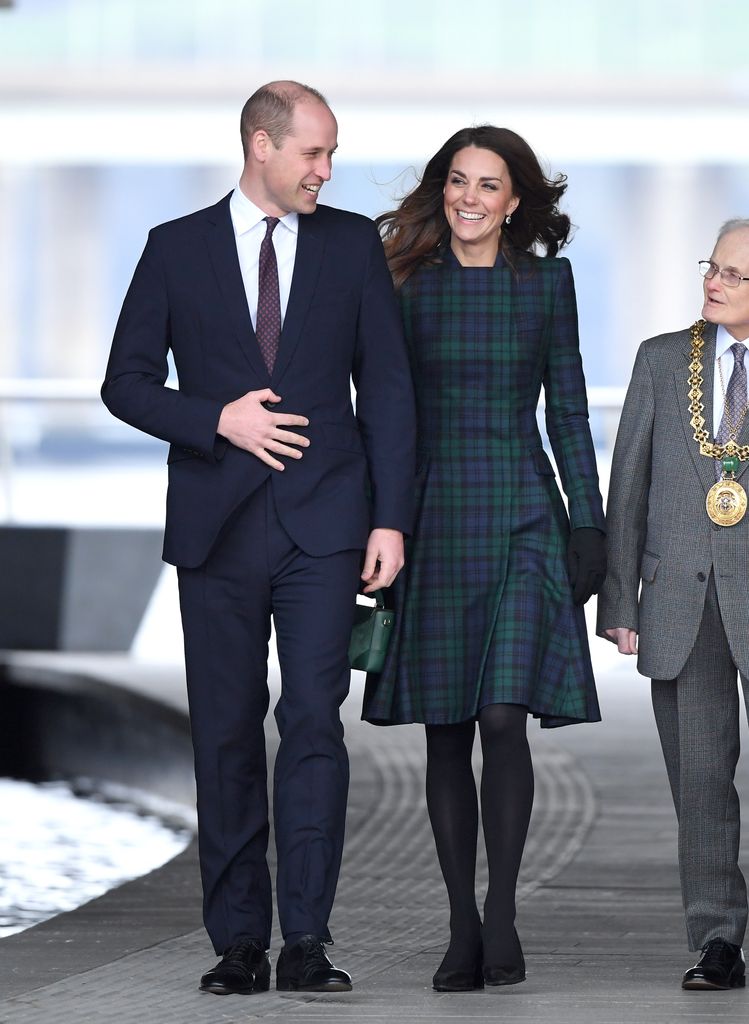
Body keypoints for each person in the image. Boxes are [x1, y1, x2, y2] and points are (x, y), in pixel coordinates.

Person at [101, 81, 416, 996]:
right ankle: (238, 941)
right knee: (226, 734)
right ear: (260, 146)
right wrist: (216, 421)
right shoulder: (175, 250)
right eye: (312, 154)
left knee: (315, 725)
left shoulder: (352, 243)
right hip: (218, 530)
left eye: (330, 156)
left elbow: (386, 389)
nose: (325, 171)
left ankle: (307, 941)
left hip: (327, 525)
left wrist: (389, 517)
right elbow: (125, 383)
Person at [362, 126, 606, 992]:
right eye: (458, 181)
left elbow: (569, 411)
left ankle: (499, 907)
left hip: (522, 515)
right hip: (431, 514)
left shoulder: (547, 281)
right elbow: (378, 414)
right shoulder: (401, 283)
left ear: (514, 202)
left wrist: (591, 525)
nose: (470, 197)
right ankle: (458, 923)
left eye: (489, 185)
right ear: (445, 189)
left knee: (503, 718)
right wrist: (373, 522)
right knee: (446, 728)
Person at [598, 219, 749, 991]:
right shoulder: (661, 361)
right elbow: (625, 486)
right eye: (711, 267)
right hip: (682, 600)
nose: (713, 283)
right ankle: (716, 939)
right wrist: (618, 596)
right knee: (698, 779)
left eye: (733, 275)